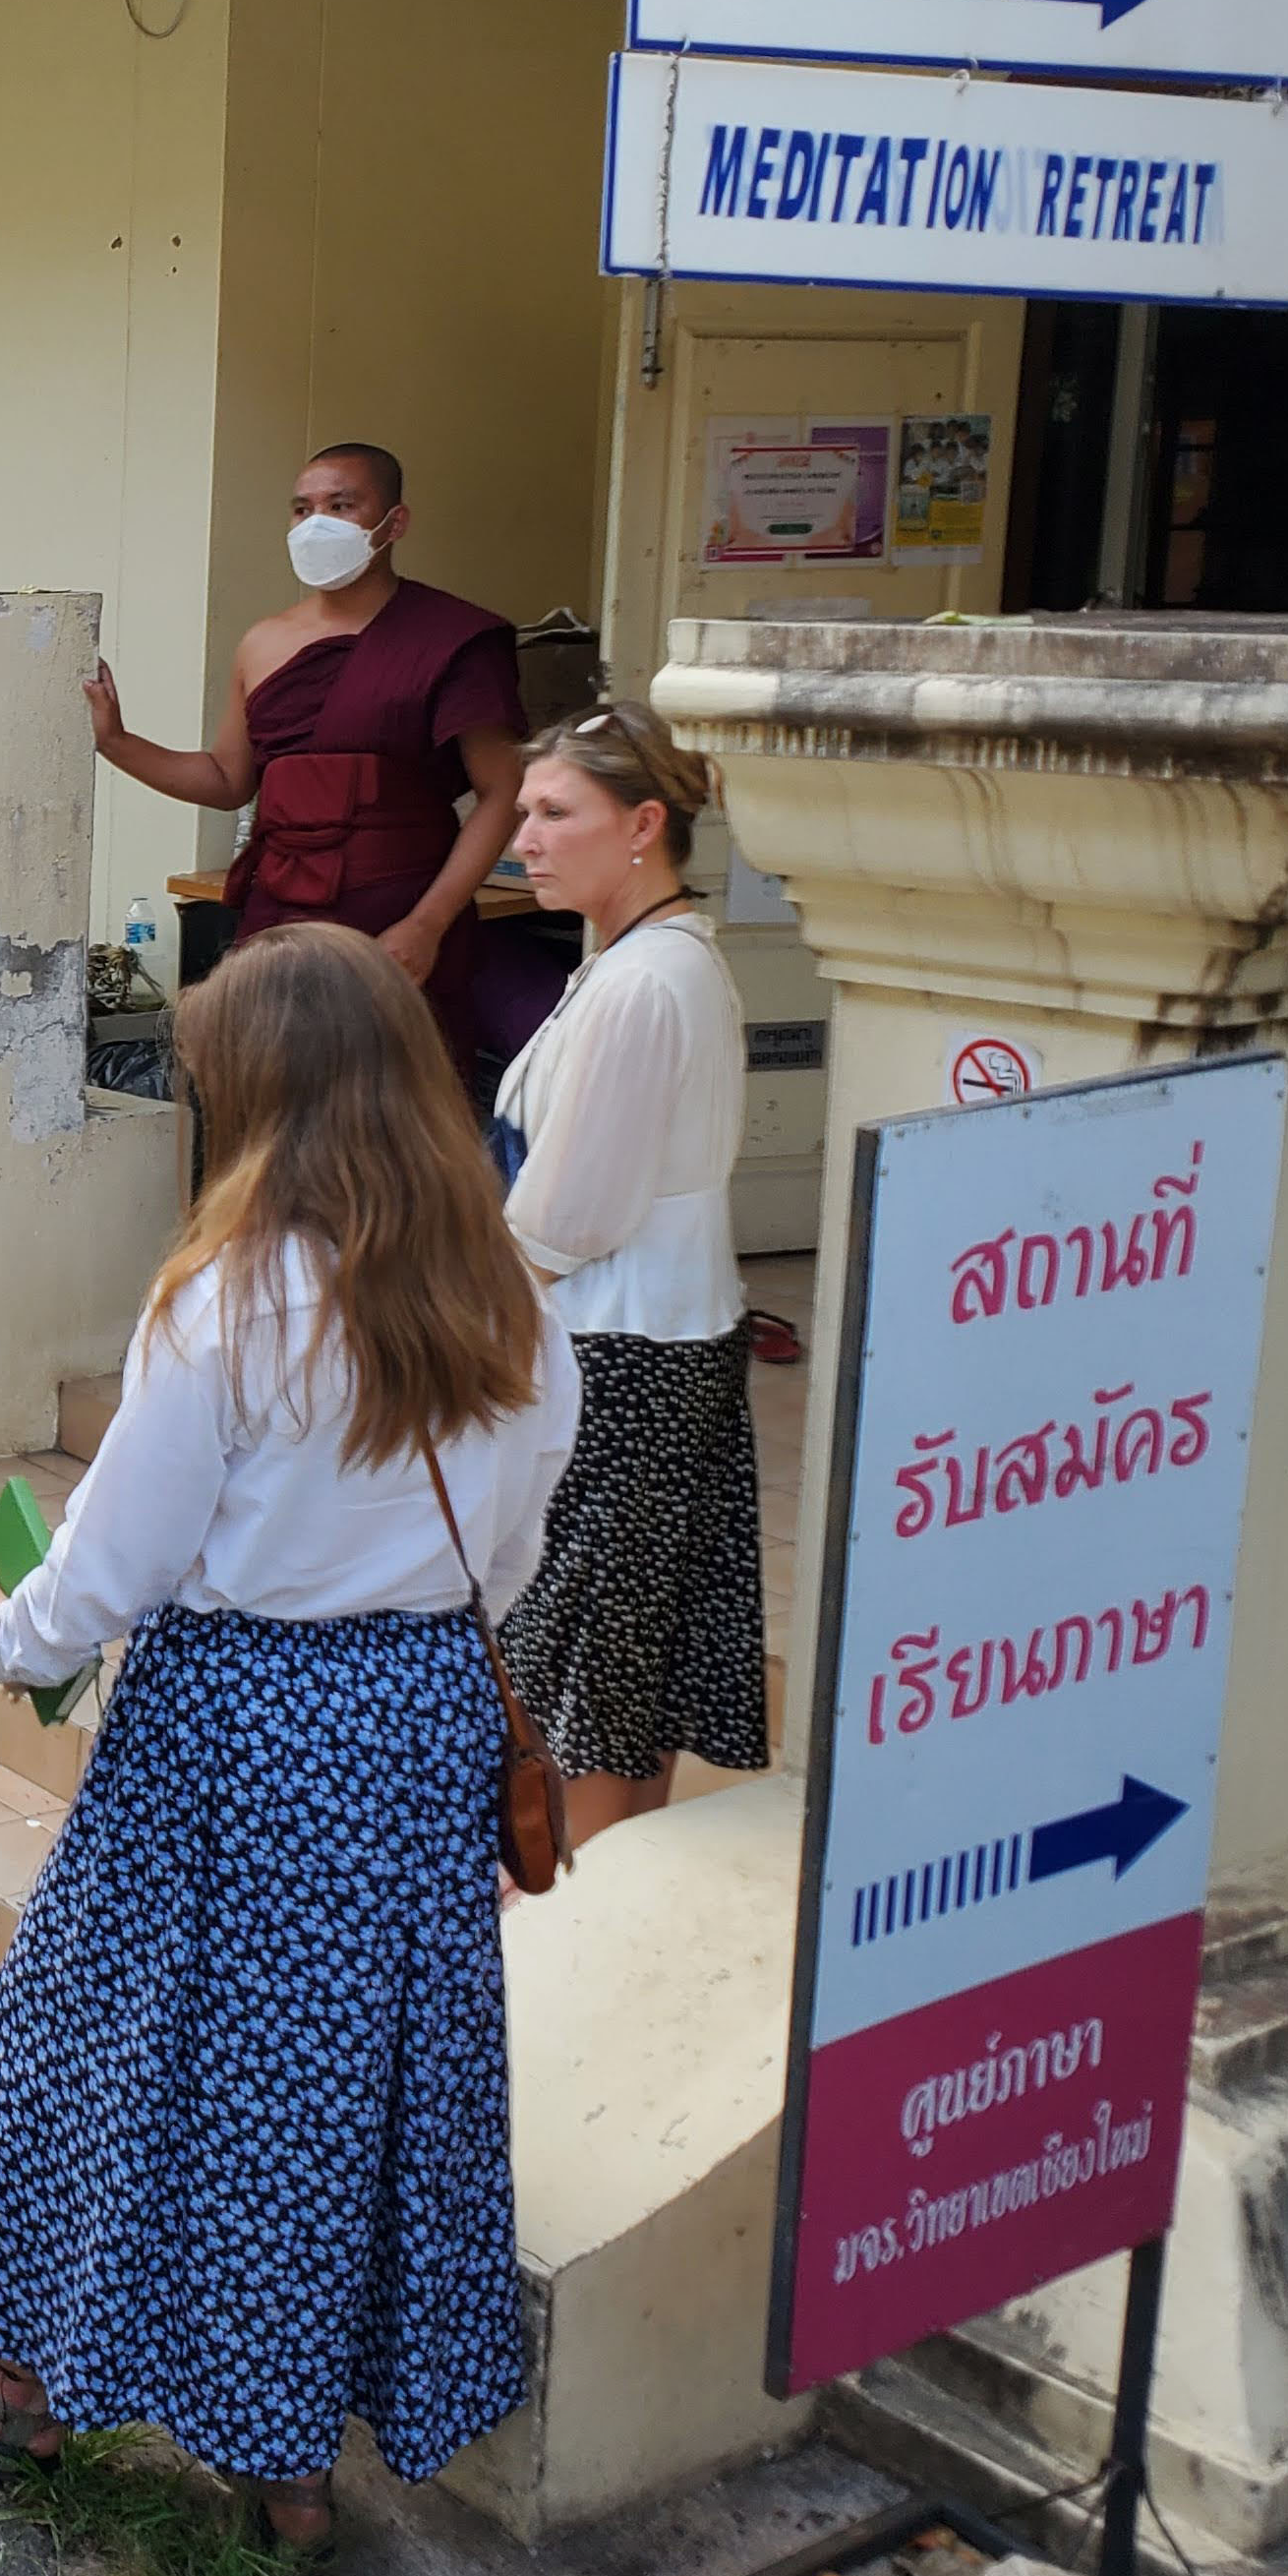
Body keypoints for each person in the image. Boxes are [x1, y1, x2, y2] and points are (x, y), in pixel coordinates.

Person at [0, 923, 577, 2564]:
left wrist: (7, 1627)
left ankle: (1, 2384)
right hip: (416, 1722)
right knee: (340, 2093)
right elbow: (506, 1554)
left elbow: (108, 1562)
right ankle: (285, 2463)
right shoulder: (512, 1295)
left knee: (93, 2035)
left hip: (232, 1730)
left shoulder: (233, 1296)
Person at [492, 700, 763, 1844]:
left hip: (621, 1353)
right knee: (622, 1665)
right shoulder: (647, 964)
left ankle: (578, 1924)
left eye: (556, 812)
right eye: (523, 812)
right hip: (660, 1343)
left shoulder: (648, 981)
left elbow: (566, 1219)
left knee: (587, 1675)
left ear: (644, 822)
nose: (525, 840)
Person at [83, 443, 543, 1079]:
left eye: (340, 505)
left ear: (394, 523)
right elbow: (226, 779)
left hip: (398, 913)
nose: (316, 523)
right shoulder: (264, 642)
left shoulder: (453, 637)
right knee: (268, 1093)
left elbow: (502, 791)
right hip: (281, 911)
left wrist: (427, 924)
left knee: (397, 1104)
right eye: (302, 509)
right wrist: (117, 742)